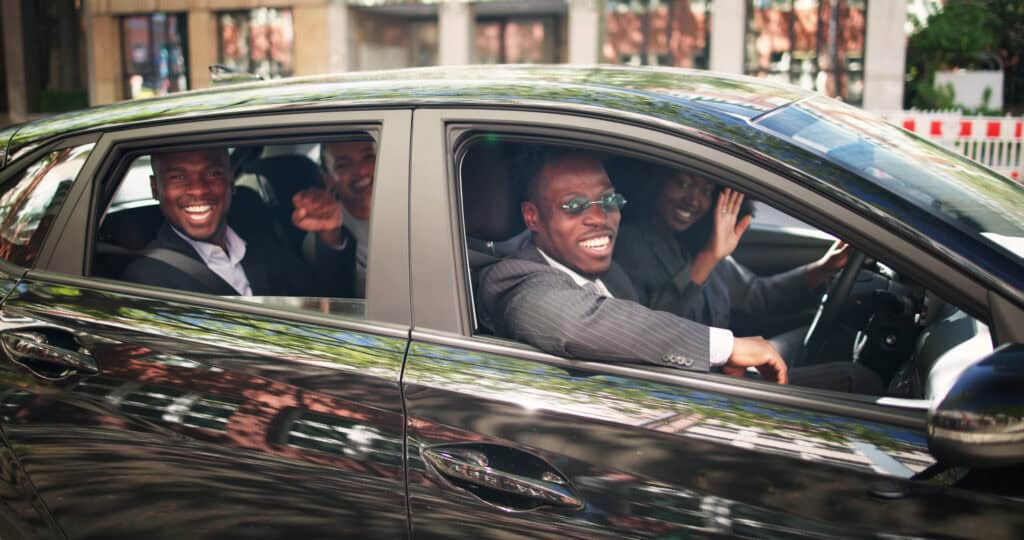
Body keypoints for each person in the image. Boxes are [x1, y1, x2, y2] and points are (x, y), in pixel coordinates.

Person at [478, 150, 790, 383]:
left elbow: (651, 327)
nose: (599, 217)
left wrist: (718, 366)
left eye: (609, 201)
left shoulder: (611, 273)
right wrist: (726, 347)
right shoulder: (514, 280)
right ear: (532, 216)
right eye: (574, 205)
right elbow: (580, 323)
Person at [614, 169, 848, 362]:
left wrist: (824, 268)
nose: (693, 200)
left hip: (726, 370)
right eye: (682, 184)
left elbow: (756, 295)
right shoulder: (629, 244)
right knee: (852, 375)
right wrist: (707, 259)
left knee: (835, 339)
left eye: (706, 191)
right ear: (657, 183)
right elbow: (654, 334)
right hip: (686, 381)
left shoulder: (699, 241)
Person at [122, 147, 354, 297]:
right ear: (155, 188)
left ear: (231, 181)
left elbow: (321, 300)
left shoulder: (260, 245)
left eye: (213, 173)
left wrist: (330, 234)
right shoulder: (147, 281)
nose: (199, 190)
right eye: (178, 177)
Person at [320, 139, 375, 296]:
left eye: (368, 157)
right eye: (343, 165)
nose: (361, 171)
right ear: (328, 180)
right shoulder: (325, 239)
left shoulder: (412, 207)